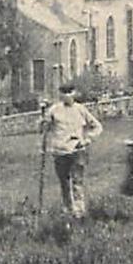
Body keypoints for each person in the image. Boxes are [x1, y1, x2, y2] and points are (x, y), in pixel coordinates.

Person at [41, 83, 103, 218]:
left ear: (74, 93)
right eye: (64, 93)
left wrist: (87, 139)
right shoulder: (54, 110)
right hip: (60, 151)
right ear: (60, 94)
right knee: (64, 182)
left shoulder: (80, 109)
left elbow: (97, 126)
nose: (67, 96)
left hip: (77, 150)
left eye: (70, 92)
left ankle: (79, 212)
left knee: (77, 181)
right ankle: (68, 209)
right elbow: (43, 129)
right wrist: (43, 116)